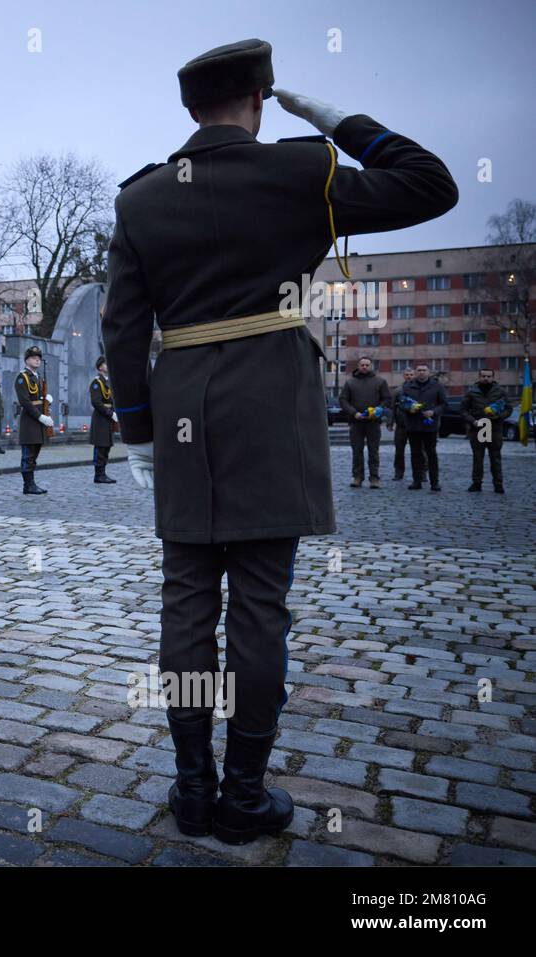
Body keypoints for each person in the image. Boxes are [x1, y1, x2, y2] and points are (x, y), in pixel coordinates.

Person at [102, 38, 457, 844]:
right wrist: (342, 123)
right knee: (261, 612)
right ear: (263, 100)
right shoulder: (302, 172)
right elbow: (433, 184)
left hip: (184, 401)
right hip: (270, 404)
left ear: (190, 110)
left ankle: (191, 790)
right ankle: (244, 796)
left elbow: (124, 330)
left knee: (186, 603)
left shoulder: (144, 199)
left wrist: (138, 433)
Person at [339, 356, 392, 488]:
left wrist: (379, 408)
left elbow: (387, 398)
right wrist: (354, 412)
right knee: (357, 450)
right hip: (356, 422)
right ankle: (357, 477)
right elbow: (343, 400)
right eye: (362, 365)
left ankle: (374, 478)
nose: (364, 367)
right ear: (358, 366)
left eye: (367, 365)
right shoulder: (350, 382)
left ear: (371, 366)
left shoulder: (380, 381)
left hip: (373, 422)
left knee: (373, 451)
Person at [400, 364, 448, 491]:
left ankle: (434, 482)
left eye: (424, 370)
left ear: (429, 372)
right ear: (416, 372)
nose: (421, 372)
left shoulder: (437, 386)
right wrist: (409, 408)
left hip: (430, 425)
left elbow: (444, 404)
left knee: (431, 454)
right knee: (415, 454)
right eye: (419, 370)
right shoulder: (408, 386)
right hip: (413, 425)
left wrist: (434, 412)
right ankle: (417, 481)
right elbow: (401, 404)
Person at [15, 346, 55, 494]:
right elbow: (25, 402)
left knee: (34, 454)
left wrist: (46, 401)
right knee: (28, 455)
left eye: (39, 358)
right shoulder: (22, 377)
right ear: (27, 360)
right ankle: (28, 485)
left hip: (38, 422)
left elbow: (38, 398)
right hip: (30, 422)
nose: (37, 360)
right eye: (34, 358)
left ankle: (31, 483)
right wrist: (41, 417)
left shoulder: (38, 377)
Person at [461, 367, 509, 494]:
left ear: (493, 377)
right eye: (483, 376)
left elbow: (508, 409)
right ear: (479, 377)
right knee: (478, 458)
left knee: (495, 458)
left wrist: (498, 416)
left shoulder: (500, 392)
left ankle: (498, 484)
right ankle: (477, 483)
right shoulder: (472, 392)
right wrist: (473, 421)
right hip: (478, 428)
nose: (486, 378)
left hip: (494, 428)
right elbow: (463, 410)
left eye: (488, 376)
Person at [89, 357, 117, 484]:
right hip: (101, 418)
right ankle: (98, 474)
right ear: (100, 367)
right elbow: (96, 402)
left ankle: (103, 473)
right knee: (100, 447)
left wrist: (116, 413)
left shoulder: (108, 382)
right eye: (106, 364)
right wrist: (110, 414)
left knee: (106, 447)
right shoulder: (97, 383)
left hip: (109, 418)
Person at [389, 368, 413, 480]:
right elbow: (392, 408)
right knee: (399, 451)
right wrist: (390, 422)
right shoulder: (398, 391)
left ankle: (421, 474)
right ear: (404, 376)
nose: (409, 376)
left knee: (419, 451)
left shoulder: (419, 390)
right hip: (401, 425)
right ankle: (398, 473)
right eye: (407, 374)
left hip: (415, 425)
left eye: (411, 374)